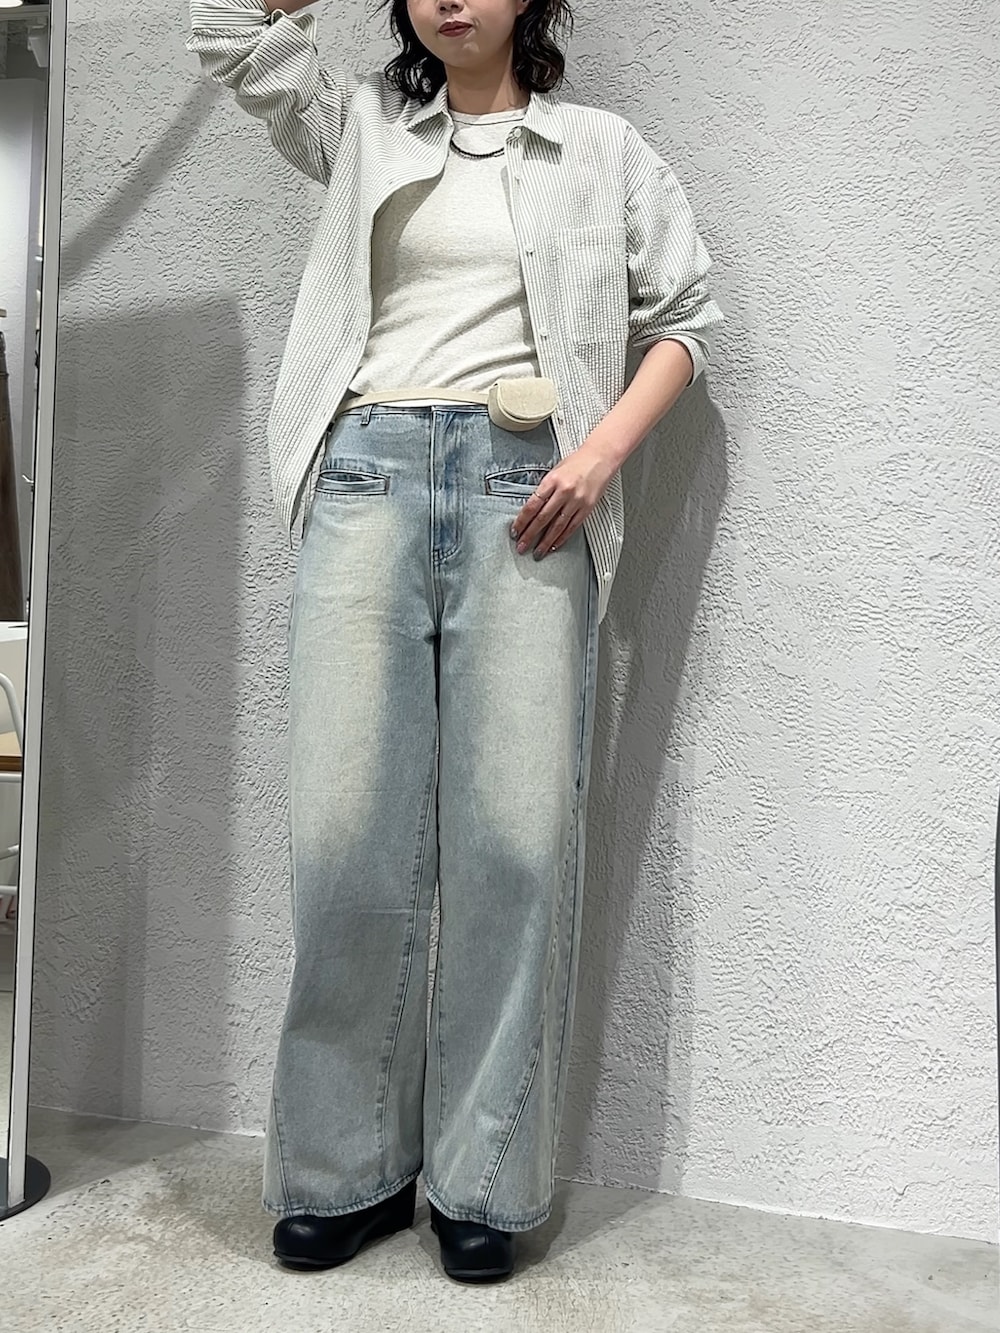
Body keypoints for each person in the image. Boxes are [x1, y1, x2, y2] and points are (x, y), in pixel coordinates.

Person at [186, 0, 724, 1285]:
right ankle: (344, 1170)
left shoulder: (599, 149)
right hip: (367, 480)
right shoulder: (360, 124)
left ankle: (483, 1182)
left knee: (514, 843)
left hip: (527, 492)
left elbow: (685, 319)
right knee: (343, 836)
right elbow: (229, 34)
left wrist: (596, 456)